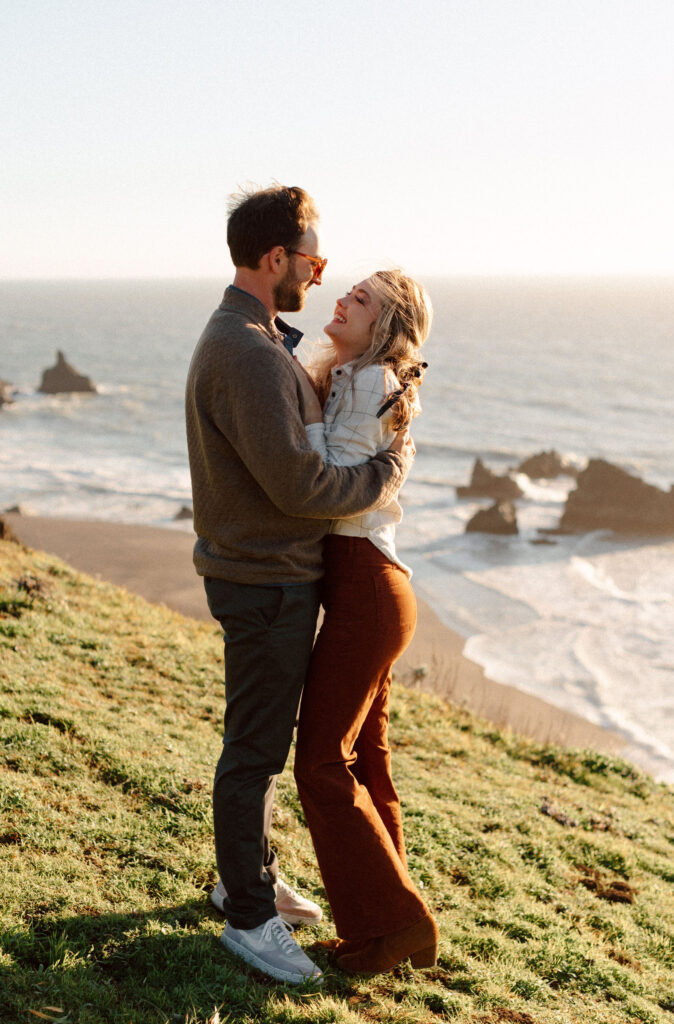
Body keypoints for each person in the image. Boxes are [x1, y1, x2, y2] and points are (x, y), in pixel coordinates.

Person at [185, 185, 413, 985]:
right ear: (276, 258)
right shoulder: (248, 352)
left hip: (265, 574)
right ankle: (246, 915)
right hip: (263, 581)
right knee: (253, 751)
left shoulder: (253, 338)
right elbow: (299, 487)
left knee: (263, 746)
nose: (319, 277)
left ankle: (247, 879)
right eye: (313, 261)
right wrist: (382, 477)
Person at [291, 269, 439, 974]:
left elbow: (329, 488)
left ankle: (398, 923)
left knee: (319, 762)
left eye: (361, 299)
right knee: (363, 761)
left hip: (364, 590)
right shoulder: (358, 376)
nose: (342, 301)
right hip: (371, 588)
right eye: (346, 291)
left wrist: (301, 422)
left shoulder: (368, 382)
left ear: (384, 324)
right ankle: (387, 932)